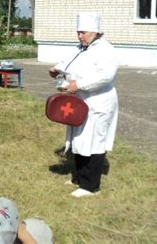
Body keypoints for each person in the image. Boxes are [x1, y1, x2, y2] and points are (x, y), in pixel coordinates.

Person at [49, 12, 119, 198]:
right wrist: (56, 69)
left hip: (98, 102)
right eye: (78, 32)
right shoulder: (81, 48)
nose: (80, 36)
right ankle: (79, 178)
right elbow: (69, 63)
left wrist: (77, 85)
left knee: (94, 142)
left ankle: (90, 186)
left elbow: (105, 76)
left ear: (95, 31)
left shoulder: (105, 50)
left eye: (83, 32)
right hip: (81, 101)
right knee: (79, 140)